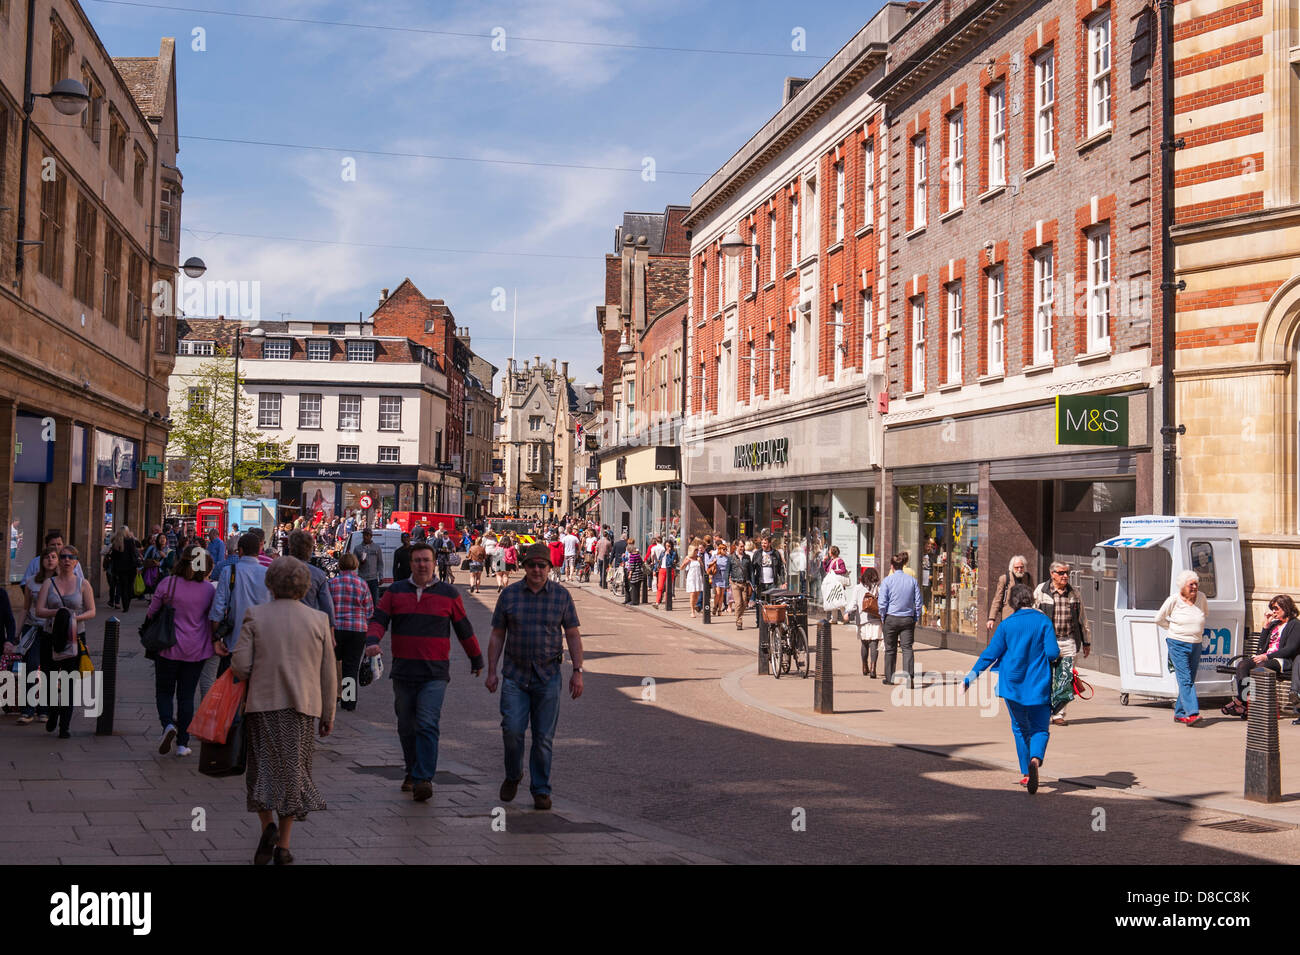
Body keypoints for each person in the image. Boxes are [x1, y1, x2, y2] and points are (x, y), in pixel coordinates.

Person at [232, 557, 337, 865]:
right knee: (294, 775)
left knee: (262, 771)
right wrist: (328, 714)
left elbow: (239, 665)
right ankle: (284, 847)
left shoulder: (256, 615)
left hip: (263, 706)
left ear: (271, 584)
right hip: (302, 709)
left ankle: (268, 828)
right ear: (305, 585)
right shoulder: (318, 620)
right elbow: (329, 673)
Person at [364, 543, 483, 802]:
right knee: (406, 727)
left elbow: (464, 628)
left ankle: (423, 778)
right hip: (404, 671)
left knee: (427, 724)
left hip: (435, 673)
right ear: (411, 563)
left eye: (426, 560)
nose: (422, 565)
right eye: (417, 560)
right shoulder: (395, 592)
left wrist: (476, 658)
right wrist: (372, 641)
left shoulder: (449, 594)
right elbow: (379, 619)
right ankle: (412, 769)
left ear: (433, 562)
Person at [485, 543, 583, 811]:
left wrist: (577, 671)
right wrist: (491, 670)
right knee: (512, 730)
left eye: (542, 565)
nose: (537, 570)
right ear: (524, 567)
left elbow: (572, 634)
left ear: (550, 568)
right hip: (515, 675)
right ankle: (513, 774)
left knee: (543, 737)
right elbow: (497, 634)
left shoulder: (561, 596)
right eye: (532, 565)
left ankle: (541, 789)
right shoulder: (510, 595)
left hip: (548, 675)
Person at [963, 584, 1059, 794]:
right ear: (1031, 600)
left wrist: (971, 676)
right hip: (1038, 683)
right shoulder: (1043, 621)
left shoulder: (1007, 625)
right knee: (1040, 728)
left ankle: (1026, 772)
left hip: (1012, 684)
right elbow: (1052, 652)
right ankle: (1035, 759)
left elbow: (991, 654)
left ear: (1013, 602)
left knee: (1019, 728)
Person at [149, 544, 215, 758]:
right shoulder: (208, 590)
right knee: (186, 696)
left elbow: (151, 613)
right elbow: (214, 617)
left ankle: (168, 724)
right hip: (196, 650)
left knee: (164, 691)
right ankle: (182, 744)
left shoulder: (168, 584)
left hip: (168, 647)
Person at [34, 545, 96, 738]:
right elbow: (39, 611)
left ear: (76, 562)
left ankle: (65, 726)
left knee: (70, 681)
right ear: (59, 561)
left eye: (70, 557)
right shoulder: (48, 583)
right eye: (63, 557)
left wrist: (74, 618)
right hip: (51, 636)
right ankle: (53, 713)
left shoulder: (83, 584)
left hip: (75, 636)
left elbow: (92, 610)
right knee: (50, 680)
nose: (66, 560)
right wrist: (59, 614)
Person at [204, 533, 270, 699]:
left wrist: (215, 640)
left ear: (239, 551)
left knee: (230, 694)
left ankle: (233, 723)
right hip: (262, 642)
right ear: (260, 549)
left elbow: (218, 609)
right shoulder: (268, 573)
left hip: (233, 643)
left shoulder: (229, 571)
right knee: (256, 693)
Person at [1033, 562, 1091, 726]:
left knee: (1064, 679)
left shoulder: (1074, 593)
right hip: (1047, 642)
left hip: (1068, 641)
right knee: (1046, 678)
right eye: (1061, 573)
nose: (1065, 576)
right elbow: (1032, 615)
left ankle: (1058, 714)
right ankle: (1043, 712)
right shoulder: (1041, 591)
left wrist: (1087, 641)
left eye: (1067, 573)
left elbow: (1082, 618)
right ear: (1052, 574)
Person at [1224, 595, 1300, 718]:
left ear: (1286, 607)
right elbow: (1261, 648)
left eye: (1276, 608)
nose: (1274, 611)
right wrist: (1265, 627)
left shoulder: (1295, 624)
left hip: (1283, 660)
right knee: (1243, 665)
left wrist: (1267, 657)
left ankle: (1243, 703)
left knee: (1260, 667)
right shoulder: (1274, 624)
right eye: (1272, 608)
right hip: (1266, 658)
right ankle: (1246, 701)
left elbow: (1290, 649)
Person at [1154, 570, 1208, 726]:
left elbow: (1205, 614)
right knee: (1185, 679)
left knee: (1189, 679)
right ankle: (1192, 713)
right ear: (1183, 586)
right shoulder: (1174, 600)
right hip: (1177, 642)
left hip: (1196, 643)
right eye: (1191, 584)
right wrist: (1173, 627)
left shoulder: (1202, 598)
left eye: (1196, 584)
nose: (1194, 587)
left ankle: (1179, 713)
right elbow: (1158, 619)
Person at [12, 547, 57, 724]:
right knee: (30, 667)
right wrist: (17, 631)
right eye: (46, 557)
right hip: (33, 629)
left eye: (54, 557)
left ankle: (44, 710)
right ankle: (27, 710)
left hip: (52, 630)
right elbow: (25, 608)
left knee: (48, 670)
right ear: (41, 561)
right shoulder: (32, 582)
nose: (50, 560)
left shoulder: (61, 582)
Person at [329, 554, 374, 713]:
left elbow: (327, 608)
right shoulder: (362, 584)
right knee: (351, 666)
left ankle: (333, 696)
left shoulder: (332, 583)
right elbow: (369, 611)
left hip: (336, 629)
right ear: (355, 566)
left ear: (340, 566)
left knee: (333, 664)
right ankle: (349, 701)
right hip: (357, 630)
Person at [877, 552, 922, 687]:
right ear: (903, 565)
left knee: (890, 649)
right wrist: (916, 616)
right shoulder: (912, 581)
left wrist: (882, 616)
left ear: (892, 566)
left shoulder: (887, 581)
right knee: (907, 648)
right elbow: (918, 602)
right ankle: (909, 678)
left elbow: (882, 602)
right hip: (907, 618)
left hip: (891, 617)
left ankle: (890, 677)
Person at [288, 531, 335, 631]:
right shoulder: (318, 574)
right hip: (308, 625)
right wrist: (330, 630)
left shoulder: (278, 570)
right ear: (309, 549)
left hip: (282, 624)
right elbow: (327, 606)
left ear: (291, 547)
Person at [851, 567, 883, 677]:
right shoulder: (878, 587)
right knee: (874, 644)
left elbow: (853, 603)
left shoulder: (858, 588)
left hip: (862, 619)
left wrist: (846, 612)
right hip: (875, 619)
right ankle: (873, 668)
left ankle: (864, 666)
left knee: (864, 644)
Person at [988, 555, 1033, 630]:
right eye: (1016, 567)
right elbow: (997, 599)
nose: (1019, 569)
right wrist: (992, 618)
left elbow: (1032, 595)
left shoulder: (1028, 578)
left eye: (1021, 567)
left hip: (1024, 616)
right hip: (1009, 616)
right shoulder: (1005, 578)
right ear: (1012, 567)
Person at [749, 536, 786, 624]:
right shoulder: (757, 553)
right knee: (760, 602)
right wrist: (752, 582)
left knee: (771, 602)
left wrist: (783, 581)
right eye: (762, 543)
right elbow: (752, 569)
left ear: (769, 543)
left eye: (765, 543)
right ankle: (760, 621)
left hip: (772, 582)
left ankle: (770, 620)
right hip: (760, 582)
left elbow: (780, 569)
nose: (763, 545)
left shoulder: (775, 553)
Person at [108, 526, 142, 613]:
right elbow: (133, 553)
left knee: (123, 587)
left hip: (120, 569)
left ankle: (125, 605)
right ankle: (127, 604)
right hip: (130, 568)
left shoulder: (116, 543)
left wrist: (114, 569)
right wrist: (138, 564)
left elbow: (113, 558)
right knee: (130, 586)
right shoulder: (130, 541)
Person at [353, 528, 384, 605]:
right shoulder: (358, 548)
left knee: (374, 601)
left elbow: (380, 563)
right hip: (362, 578)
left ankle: (374, 616)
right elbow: (354, 564)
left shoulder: (377, 547)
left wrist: (381, 576)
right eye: (364, 535)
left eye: (367, 535)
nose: (365, 537)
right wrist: (360, 562)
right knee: (361, 601)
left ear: (371, 536)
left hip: (373, 579)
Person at [824, 546, 850, 624]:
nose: (828, 552)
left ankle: (846, 618)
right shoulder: (831, 560)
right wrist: (824, 562)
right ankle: (834, 619)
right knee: (833, 600)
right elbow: (826, 570)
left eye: (830, 551)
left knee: (840, 601)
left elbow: (843, 570)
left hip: (838, 584)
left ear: (832, 552)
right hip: (832, 584)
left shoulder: (839, 561)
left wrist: (834, 571)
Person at [729, 541, 751, 630]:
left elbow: (751, 571)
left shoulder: (747, 557)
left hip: (744, 583)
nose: (742, 548)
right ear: (736, 546)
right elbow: (728, 570)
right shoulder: (731, 557)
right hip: (735, 583)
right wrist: (727, 583)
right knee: (738, 603)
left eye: (743, 546)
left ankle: (739, 616)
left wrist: (751, 582)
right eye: (741, 546)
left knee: (745, 602)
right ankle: (739, 621)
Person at [654, 540, 678, 608]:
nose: (668, 548)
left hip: (670, 570)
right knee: (660, 586)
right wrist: (654, 569)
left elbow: (671, 562)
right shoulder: (663, 553)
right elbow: (658, 561)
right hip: (662, 570)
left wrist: (668, 555)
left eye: (669, 546)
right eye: (666, 546)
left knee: (668, 587)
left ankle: (667, 603)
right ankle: (657, 602)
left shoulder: (673, 553)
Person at [683, 547, 705, 619]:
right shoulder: (688, 558)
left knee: (697, 594)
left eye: (697, 550)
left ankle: (695, 605)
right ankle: (692, 611)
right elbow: (681, 567)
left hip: (698, 578)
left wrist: (700, 562)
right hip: (691, 578)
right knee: (692, 594)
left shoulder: (698, 558)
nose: (696, 552)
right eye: (695, 550)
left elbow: (703, 567)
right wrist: (685, 563)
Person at [623, 541, 645, 606]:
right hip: (639, 573)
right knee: (638, 587)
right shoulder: (638, 555)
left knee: (633, 587)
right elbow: (641, 563)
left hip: (634, 574)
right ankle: (637, 601)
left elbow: (632, 566)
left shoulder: (632, 556)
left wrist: (630, 574)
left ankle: (634, 601)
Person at [712, 541, 731, 615]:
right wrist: (713, 562)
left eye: (725, 549)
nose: (725, 550)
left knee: (722, 594)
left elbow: (729, 567)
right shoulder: (716, 557)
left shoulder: (727, 558)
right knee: (718, 593)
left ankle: (719, 610)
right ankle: (714, 607)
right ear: (720, 549)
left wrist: (729, 576)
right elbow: (709, 565)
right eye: (723, 549)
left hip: (724, 576)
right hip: (717, 576)